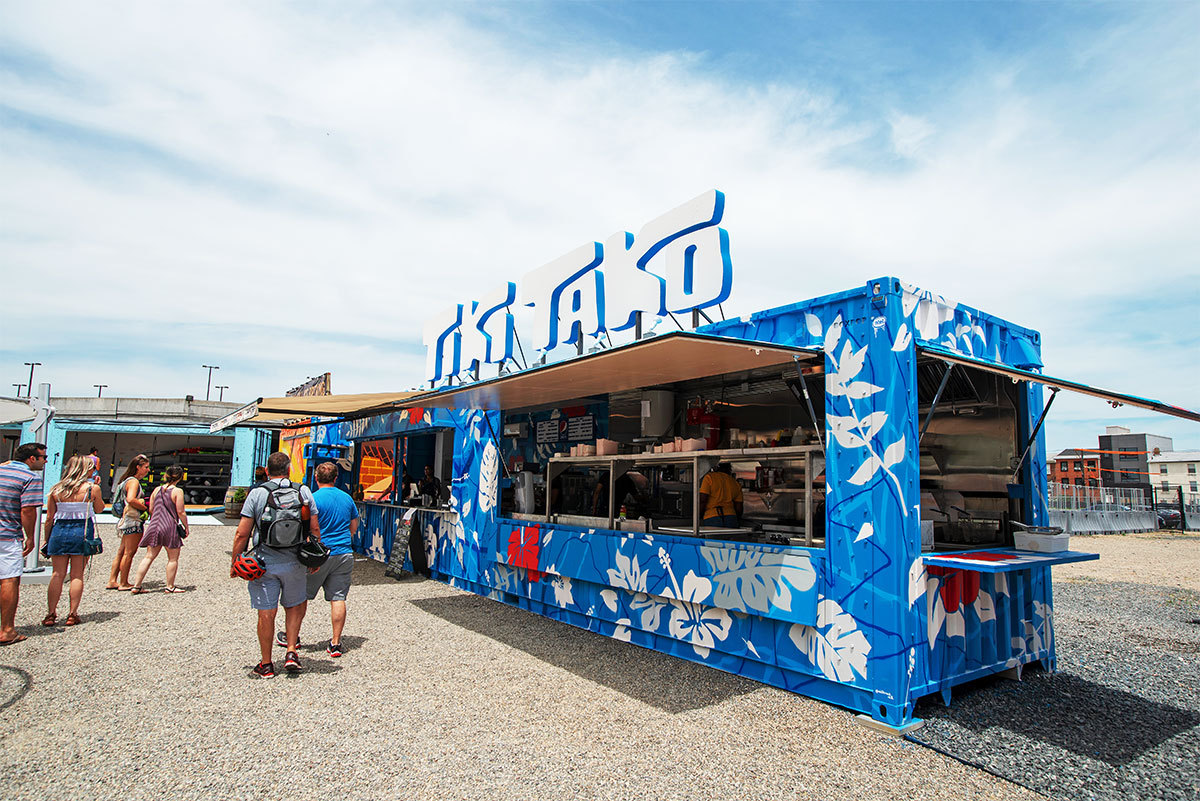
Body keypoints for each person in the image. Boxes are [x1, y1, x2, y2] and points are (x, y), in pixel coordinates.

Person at [230, 451, 320, 678]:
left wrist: (235, 561)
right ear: (289, 470)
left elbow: (242, 533)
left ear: (268, 471)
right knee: (293, 607)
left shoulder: (257, 493)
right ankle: (291, 652)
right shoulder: (303, 491)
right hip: (295, 561)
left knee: (266, 613)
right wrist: (314, 556)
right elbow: (314, 529)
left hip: (264, 562)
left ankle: (267, 663)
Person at [291, 461, 358, 657]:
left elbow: (306, 527)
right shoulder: (347, 499)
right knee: (338, 597)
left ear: (316, 478)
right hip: (344, 552)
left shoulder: (312, 499)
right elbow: (353, 528)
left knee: (302, 596)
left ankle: (293, 637)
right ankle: (336, 642)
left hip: (319, 553)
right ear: (336, 478)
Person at [43, 454, 105, 627]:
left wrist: (47, 539)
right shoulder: (91, 488)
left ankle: (50, 613)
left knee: (57, 574)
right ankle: (72, 613)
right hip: (82, 530)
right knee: (77, 574)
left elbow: (49, 518)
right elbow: (99, 509)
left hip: (59, 530)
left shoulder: (56, 489)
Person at [0, 442, 46, 645]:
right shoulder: (30, 477)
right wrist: (30, 536)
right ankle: (7, 629)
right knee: (9, 579)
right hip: (8, 534)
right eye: (43, 457)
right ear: (31, 459)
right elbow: (27, 510)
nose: (46, 461)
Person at [130, 465, 188, 594]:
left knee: (149, 556)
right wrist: (186, 526)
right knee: (173, 558)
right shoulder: (177, 491)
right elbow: (180, 511)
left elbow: (151, 508)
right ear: (180, 477)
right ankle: (170, 586)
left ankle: (137, 585)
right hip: (169, 525)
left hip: (155, 524)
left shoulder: (156, 490)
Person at [106, 455, 151, 590]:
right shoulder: (134, 482)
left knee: (121, 551)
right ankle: (124, 582)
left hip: (125, 519)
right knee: (129, 552)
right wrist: (145, 507)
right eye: (146, 467)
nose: (148, 470)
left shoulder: (125, 480)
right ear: (138, 467)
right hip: (133, 520)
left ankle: (113, 580)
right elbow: (131, 499)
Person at [698, 463, 743, 528]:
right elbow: (739, 508)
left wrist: (699, 516)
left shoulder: (709, 478)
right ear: (729, 470)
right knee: (729, 538)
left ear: (717, 468)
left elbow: (702, 500)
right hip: (731, 517)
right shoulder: (735, 483)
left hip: (712, 516)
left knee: (714, 538)